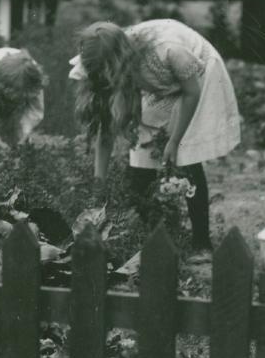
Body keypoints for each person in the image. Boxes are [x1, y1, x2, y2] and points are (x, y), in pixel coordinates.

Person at [70, 18, 241, 251]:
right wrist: (98, 184)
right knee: (142, 153)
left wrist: (174, 140)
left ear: (118, 62)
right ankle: (149, 236)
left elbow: (191, 93)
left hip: (197, 77)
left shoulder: (169, 51)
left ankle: (201, 243)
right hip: (153, 79)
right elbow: (105, 129)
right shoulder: (99, 58)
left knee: (185, 157)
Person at [0, 46, 46, 152]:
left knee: (21, 130)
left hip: (13, 75)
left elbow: (35, 110)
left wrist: (24, 134)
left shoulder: (34, 78)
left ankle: (24, 146)